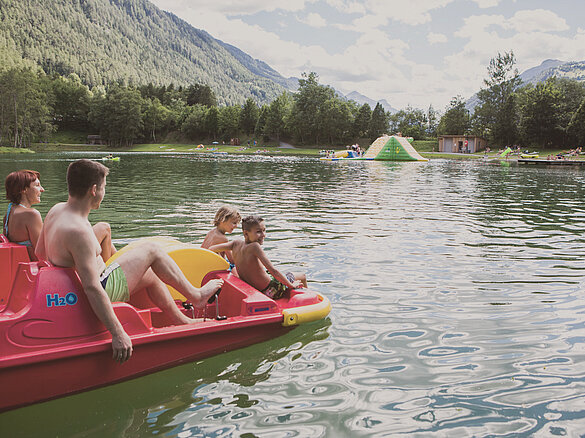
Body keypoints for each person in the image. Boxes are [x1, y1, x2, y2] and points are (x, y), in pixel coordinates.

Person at [36, 159, 223, 363]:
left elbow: (39, 252)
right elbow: (92, 288)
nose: (104, 193)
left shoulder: (56, 210)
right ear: (94, 190)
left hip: (77, 287)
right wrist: (118, 333)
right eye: (104, 187)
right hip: (95, 291)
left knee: (150, 272)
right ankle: (196, 296)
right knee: (151, 250)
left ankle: (184, 321)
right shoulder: (78, 231)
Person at [3, 169, 116, 262]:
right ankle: (107, 274)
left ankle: (115, 262)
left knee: (104, 240)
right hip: (54, 265)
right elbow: (43, 253)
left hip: (28, 266)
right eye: (37, 185)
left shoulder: (10, 212)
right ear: (23, 190)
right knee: (104, 228)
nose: (42, 189)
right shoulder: (31, 215)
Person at [209, 215, 306, 300]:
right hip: (271, 290)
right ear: (246, 233)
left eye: (264, 230)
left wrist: (222, 259)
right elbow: (274, 271)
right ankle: (308, 300)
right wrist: (290, 285)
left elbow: (211, 249)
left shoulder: (235, 243)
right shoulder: (255, 246)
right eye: (258, 232)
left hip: (255, 288)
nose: (263, 235)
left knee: (270, 272)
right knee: (302, 276)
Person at [201, 205, 241, 273]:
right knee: (236, 268)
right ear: (223, 220)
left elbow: (202, 248)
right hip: (215, 268)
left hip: (206, 264)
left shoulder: (211, 232)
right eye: (234, 223)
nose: (236, 226)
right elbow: (232, 260)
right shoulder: (222, 239)